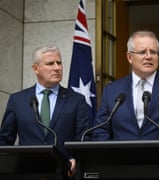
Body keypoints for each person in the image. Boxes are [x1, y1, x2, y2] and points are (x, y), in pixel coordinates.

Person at [0, 45, 91, 177]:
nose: (57, 68)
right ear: (35, 69)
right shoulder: (17, 100)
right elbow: (4, 140)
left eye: (59, 63)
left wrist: (75, 158)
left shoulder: (76, 100)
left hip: (64, 172)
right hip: (26, 172)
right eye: (50, 63)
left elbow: (84, 137)